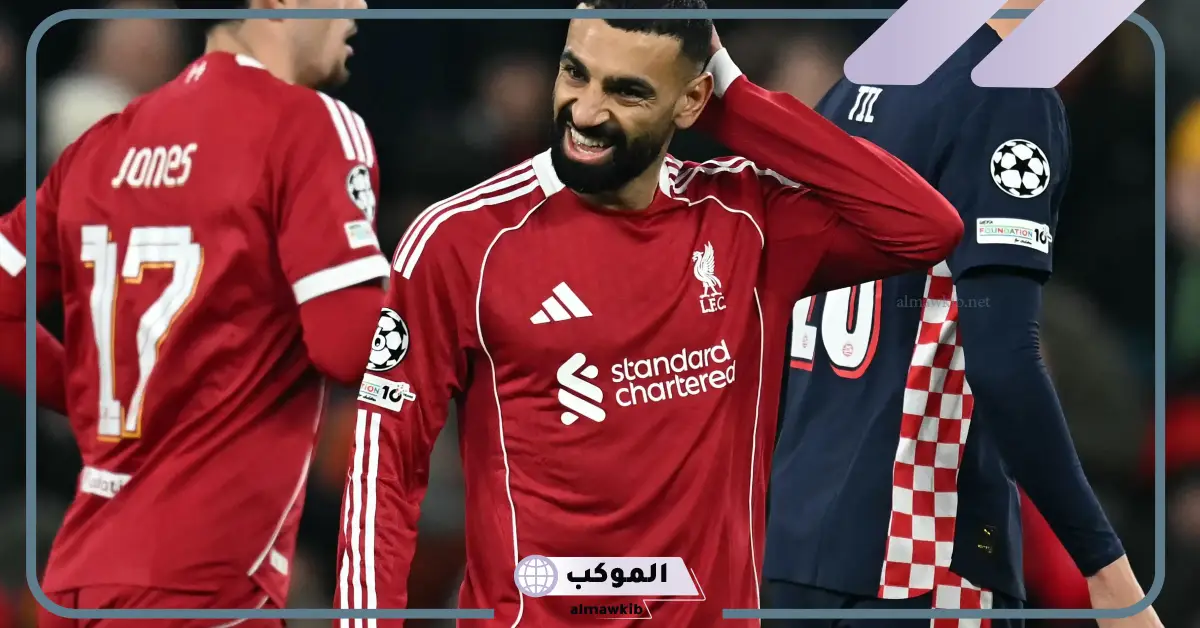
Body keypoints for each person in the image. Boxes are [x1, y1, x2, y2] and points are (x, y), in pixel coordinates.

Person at [334, 1, 964, 626]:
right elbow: (384, 464)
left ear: (692, 102)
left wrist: (738, 98)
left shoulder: (745, 221)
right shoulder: (461, 240)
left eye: (627, 92)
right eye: (575, 72)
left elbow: (924, 227)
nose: (586, 112)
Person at [763, 1, 1161, 626]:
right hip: (918, 556)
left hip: (788, 550)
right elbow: (1003, 361)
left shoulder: (856, 84)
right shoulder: (1008, 94)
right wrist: (1108, 575)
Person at [0, 0, 386, 623]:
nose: (358, 6)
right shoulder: (309, 125)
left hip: (78, 581)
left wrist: (90, 396)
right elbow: (349, 344)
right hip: (201, 584)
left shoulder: (101, 145)